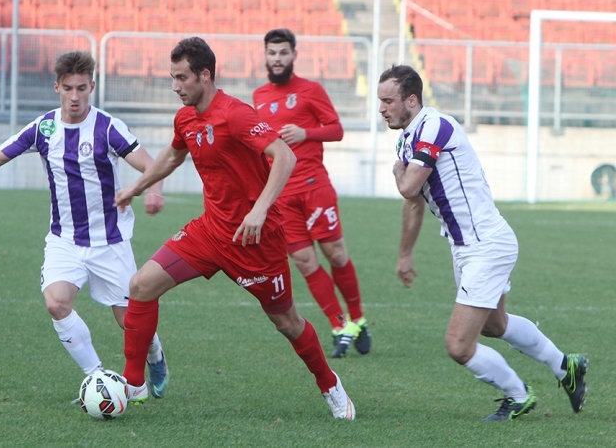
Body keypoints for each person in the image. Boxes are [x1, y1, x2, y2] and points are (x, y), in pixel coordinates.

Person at [114, 37, 355, 419]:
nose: (175, 86)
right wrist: (134, 187)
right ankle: (133, 383)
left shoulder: (236, 114)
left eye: (181, 78)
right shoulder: (186, 117)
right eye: (172, 78)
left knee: (287, 322)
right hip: (210, 233)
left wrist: (259, 211)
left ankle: (329, 383)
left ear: (205, 75)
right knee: (141, 285)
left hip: (257, 242)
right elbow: (172, 157)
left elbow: (285, 156)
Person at [0, 51, 170, 403]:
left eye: (82, 88)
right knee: (56, 303)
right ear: (57, 87)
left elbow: (151, 164)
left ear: (92, 87)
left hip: (109, 241)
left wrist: (155, 190)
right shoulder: (44, 128)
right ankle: (98, 379)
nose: (75, 96)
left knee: (129, 321)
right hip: (64, 240)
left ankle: (156, 356)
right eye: (68, 88)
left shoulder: (107, 127)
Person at [378, 64, 588, 421]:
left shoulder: (434, 125)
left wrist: (398, 171)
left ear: (411, 100)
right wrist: (404, 254)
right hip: (468, 247)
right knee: (494, 324)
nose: (382, 109)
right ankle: (566, 366)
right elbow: (412, 204)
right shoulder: (407, 138)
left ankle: (518, 395)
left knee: (458, 345)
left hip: (485, 245)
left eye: (388, 101)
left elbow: (408, 186)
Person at [253, 28, 371, 358]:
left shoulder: (311, 90)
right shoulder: (259, 96)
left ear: (294, 55)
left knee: (335, 253)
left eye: (283, 53)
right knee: (305, 261)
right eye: (272, 53)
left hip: (314, 187)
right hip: (282, 196)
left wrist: (306, 132)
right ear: (265, 56)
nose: (277, 59)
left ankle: (359, 319)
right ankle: (339, 325)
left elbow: (336, 129)